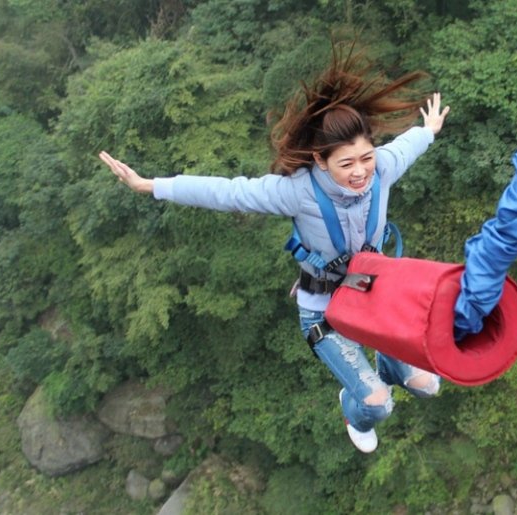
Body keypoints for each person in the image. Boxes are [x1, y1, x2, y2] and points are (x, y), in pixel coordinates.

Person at [99, 44, 450, 453]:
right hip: (325, 312)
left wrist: (429, 129)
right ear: (320, 160)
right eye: (347, 164)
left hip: (372, 299)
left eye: (366, 158)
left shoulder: (382, 168)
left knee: (429, 385)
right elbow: (227, 192)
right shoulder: (296, 193)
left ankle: (387, 365)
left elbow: (408, 145)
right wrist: (152, 185)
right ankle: (353, 405)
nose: (360, 172)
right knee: (377, 406)